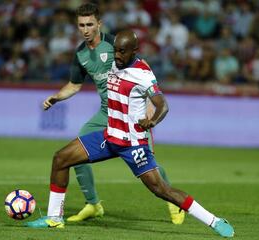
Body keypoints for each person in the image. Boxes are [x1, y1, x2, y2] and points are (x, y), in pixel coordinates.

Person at [26, 30, 235, 238]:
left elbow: (162, 105)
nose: (117, 55)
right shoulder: (114, 62)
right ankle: (54, 218)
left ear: (135, 51)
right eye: (116, 50)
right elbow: (95, 50)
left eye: (122, 52)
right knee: (61, 158)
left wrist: (152, 120)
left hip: (133, 144)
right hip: (109, 137)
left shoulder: (143, 73)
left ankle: (214, 221)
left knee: (162, 190)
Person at [35, 3, 184, 224]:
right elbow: (74, 85)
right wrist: (57, 96)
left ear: (99, 24)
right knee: (75, 154)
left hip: (130, 114)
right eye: (81, 25)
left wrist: (150, 105)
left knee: (147, 162)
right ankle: (93, 204)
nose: (85, 30)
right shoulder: (81, 54)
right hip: (105, 113)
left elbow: (140, 70)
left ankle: (174, 202)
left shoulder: (115, 44)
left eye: (89, 24)